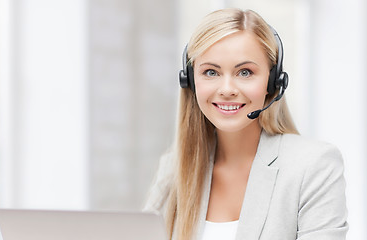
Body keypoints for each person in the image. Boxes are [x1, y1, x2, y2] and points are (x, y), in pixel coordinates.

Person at [144, 8, 348, 240]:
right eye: (211, 72)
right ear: (190, 80)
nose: (227, 89)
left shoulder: (314, 166)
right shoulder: (173, 168)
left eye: (245, 72)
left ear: (273, 82)